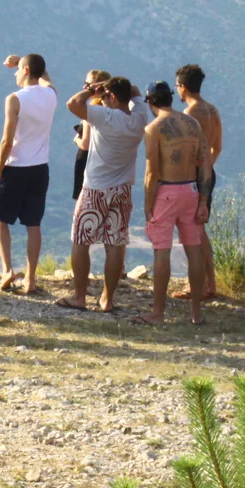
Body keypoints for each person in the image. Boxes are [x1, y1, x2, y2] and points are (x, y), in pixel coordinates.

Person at [59, 76, 147, 313]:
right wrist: (118, 89)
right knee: (115, 243)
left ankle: (79, 296)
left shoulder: (106, 117)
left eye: (106, 96)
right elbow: (136, 92)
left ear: (113, 97)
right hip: (123, 190)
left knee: (80, 240)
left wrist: (91, 90)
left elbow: (72, 104)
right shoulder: (139, 117)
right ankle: (107, 298)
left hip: (95, 188)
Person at [136, 81, 209, 326]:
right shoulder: (193, 123)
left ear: (150, 103)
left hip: (166, 191)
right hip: (191, 189)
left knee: (162, 252)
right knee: (194, 250)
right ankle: (196, 312)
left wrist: (148, 204)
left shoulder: (153, 128)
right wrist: (204, 200)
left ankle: (157, 313)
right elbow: (205, 163)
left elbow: (151, 172)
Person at [0, 53, 56, 294]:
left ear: (27, 70)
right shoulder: (51, 95)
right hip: (40, 167)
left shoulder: (15, 99)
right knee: (33, 223)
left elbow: (7, 138)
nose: (15, 73)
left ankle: (7, 269)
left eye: (18, 69)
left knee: (0, 219)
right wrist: (28, 59)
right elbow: (47, 80)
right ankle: (30, 278)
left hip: (16, 165)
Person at [175, 64, 223, 301]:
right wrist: (208, 166)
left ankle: (198, 286)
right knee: (201, 231)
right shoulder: (213, 111)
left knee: (191, 232)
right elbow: (218, 146)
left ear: (182, 87)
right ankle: (210, 283)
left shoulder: (188, 115)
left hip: (191, 176)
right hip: (209, 172)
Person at [72, 70, 112, 202]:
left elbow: (85, 144)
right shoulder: (113, 110)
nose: (84, 88)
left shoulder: (92, 110)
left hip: (87, 162)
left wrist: (76, 139)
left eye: (88, 85)